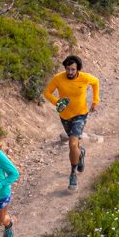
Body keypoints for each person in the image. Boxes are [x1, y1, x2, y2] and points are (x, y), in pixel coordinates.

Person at [43, 54, 100, 190]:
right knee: (74, 146)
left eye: (73, 69)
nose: (70, 72)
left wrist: (95, 101)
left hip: (80, 114)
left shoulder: (85, 78)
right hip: (65, 116)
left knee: (72, 143)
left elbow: (96, 82)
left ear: (77, 69)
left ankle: (73, 174)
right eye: (68, 69)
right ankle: (80, 154)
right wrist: (57, 102)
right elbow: (47, 93)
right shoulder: (58, 78)